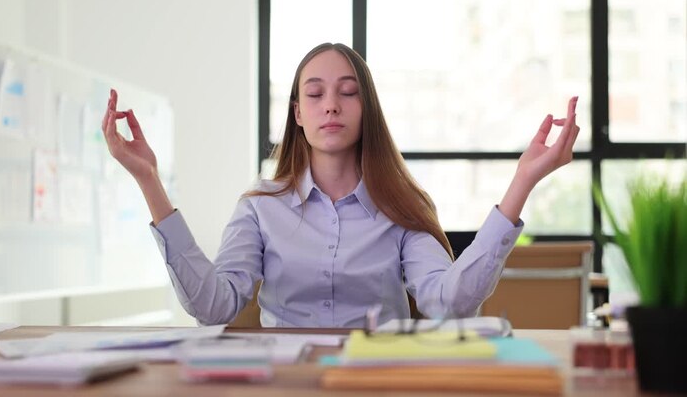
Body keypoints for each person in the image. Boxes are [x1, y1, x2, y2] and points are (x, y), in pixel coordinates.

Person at [102, 42, 579, 328]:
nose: (331, 105)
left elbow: (448, 303)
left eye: (348, 93)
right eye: (315, 94)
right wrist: (149, 180)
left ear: (366, 108)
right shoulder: (260, 207)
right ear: (298, 114)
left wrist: (523, 181)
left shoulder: (402, 206)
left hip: (376, 383)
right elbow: (213, 306)